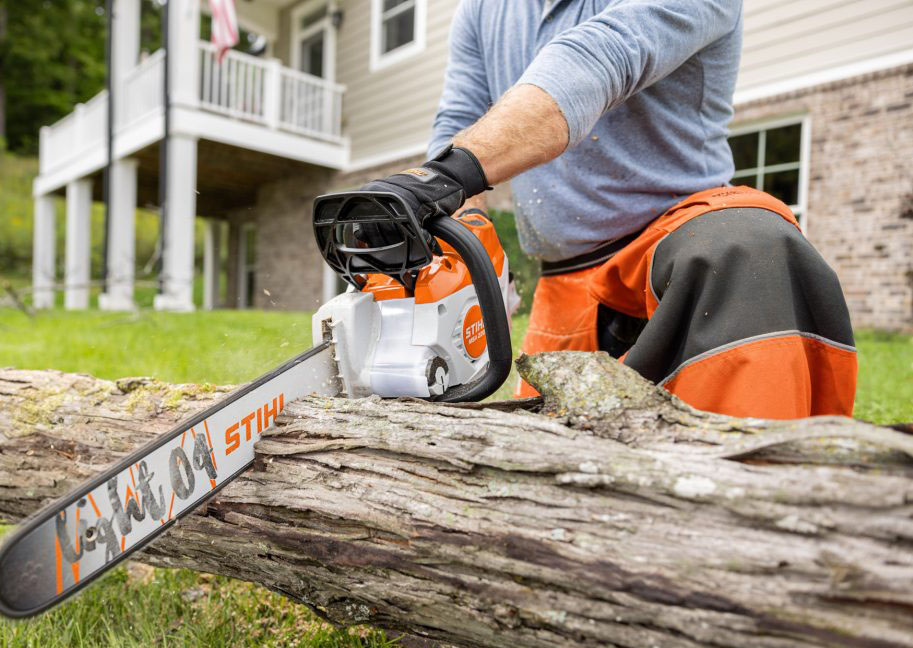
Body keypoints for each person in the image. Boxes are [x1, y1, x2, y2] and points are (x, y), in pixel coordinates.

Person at [357, 0, 857, 420]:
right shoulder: (483, 9)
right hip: (564, 280)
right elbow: (460, 116)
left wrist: (450, 174)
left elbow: (602, 56)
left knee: (748, 246)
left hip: (678, 254)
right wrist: (456, 217)